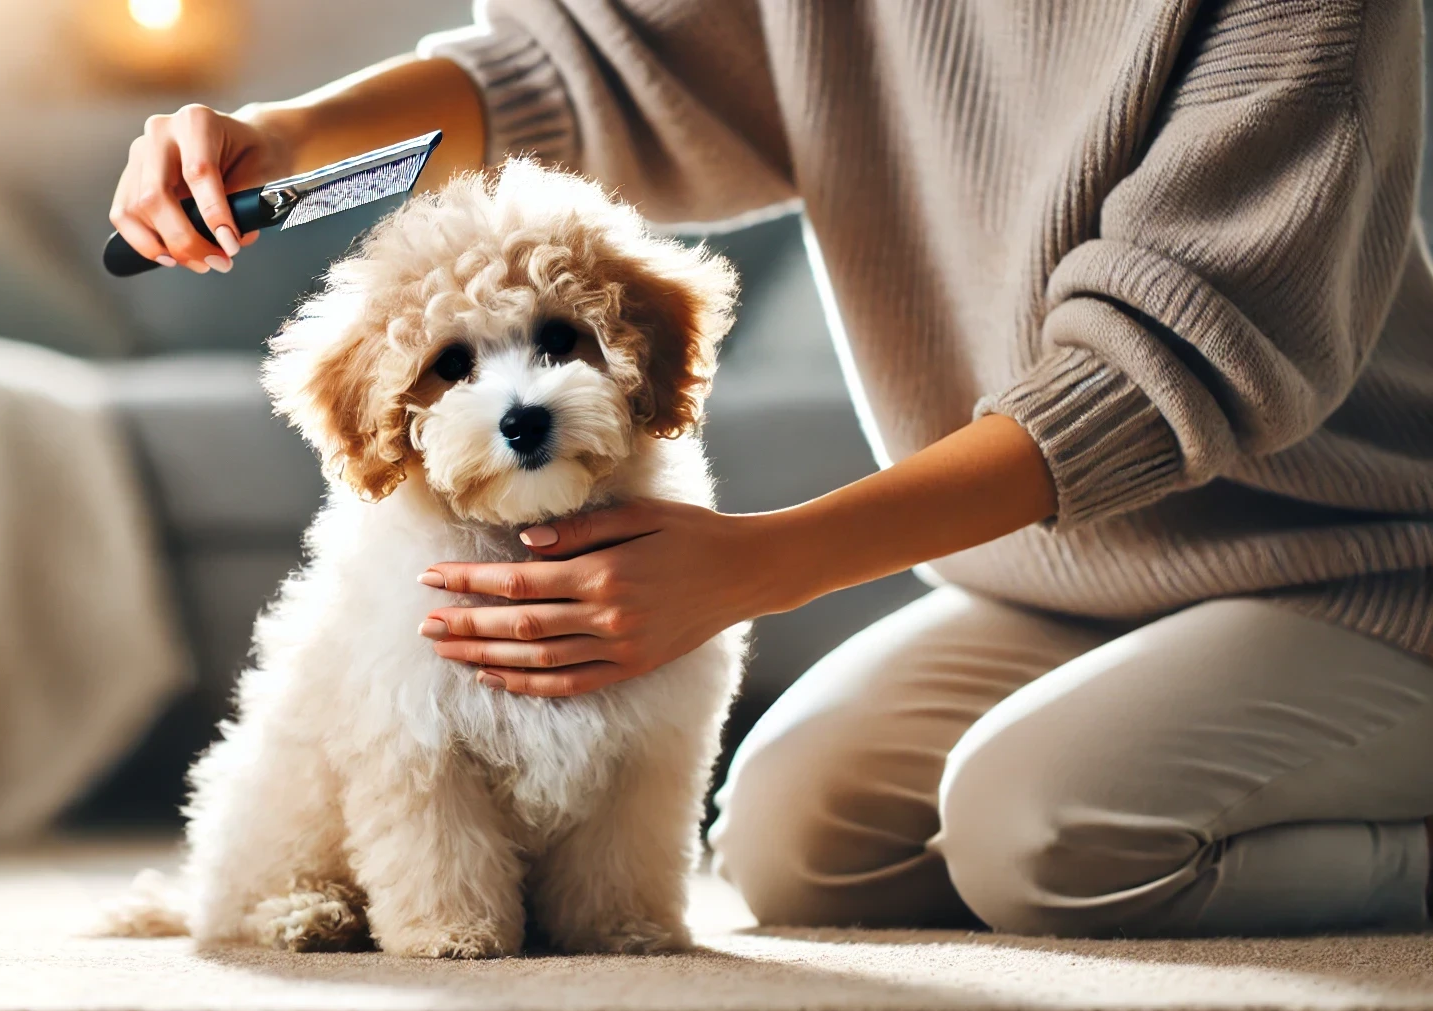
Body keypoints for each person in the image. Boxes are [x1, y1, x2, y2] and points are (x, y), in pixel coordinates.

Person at [109, 1, 1433, 938]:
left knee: (1046, 837)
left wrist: (756, 565)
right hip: (1059, 585)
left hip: (1348, 562)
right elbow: (595, 67)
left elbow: (1163, 365)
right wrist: (292, 135)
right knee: (798, 841)